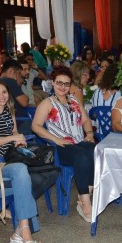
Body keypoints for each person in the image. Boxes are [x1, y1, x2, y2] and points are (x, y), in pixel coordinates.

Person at [0, 80, 42, 243]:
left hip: (10, 157)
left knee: (39, 171)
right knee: (22, 171)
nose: (1, 96)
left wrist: (18, 141)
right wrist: (12, 138)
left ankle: (20, 230)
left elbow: (13, 131)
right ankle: (25, 231)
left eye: (4, 92)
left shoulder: (9, 109)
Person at [31, 66, 95, 222]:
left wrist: (90, 134)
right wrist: (55, 139)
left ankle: (85, 193)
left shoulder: (74, 100)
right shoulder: (47, 103)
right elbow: (36, 126)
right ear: (53, 83)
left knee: (95, 150)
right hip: (62, 147)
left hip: (79, 142)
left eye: (66, 84)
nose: (62, 87)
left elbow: (85, 120)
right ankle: (86, 203)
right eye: (59, 83)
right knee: (81, 155)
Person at [0, 60, 32, 134]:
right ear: (11, 71)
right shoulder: (9, 81)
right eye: (17, 74)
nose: (17, 77)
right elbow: (24, 102)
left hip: (5, 123)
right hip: (18, 123)